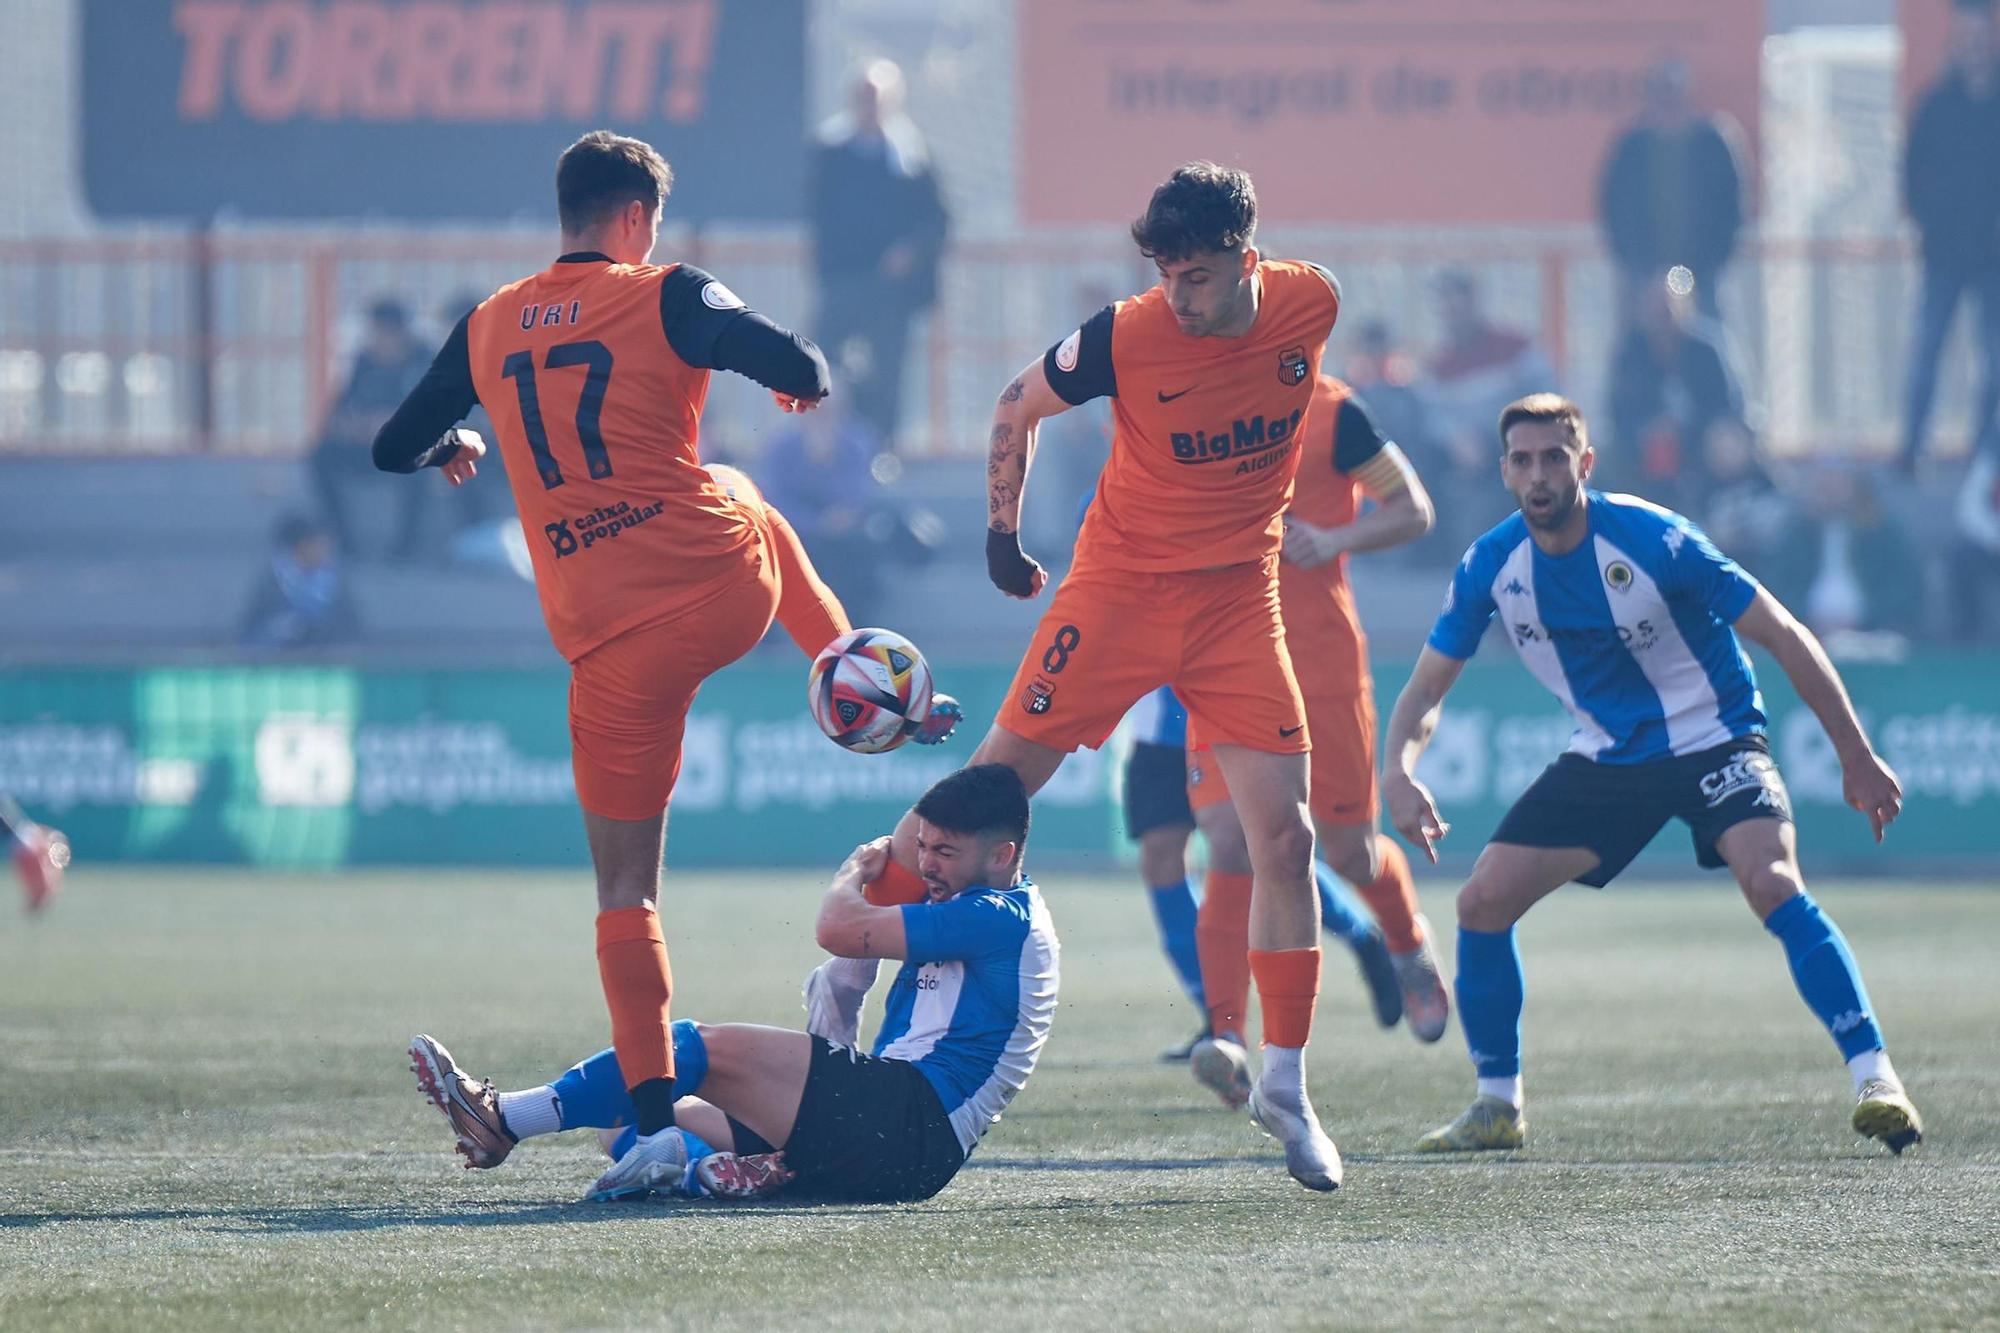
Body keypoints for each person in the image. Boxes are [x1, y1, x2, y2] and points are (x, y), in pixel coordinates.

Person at [808, 162, 1350, 1192]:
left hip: (1239, 600)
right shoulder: (1126, 332)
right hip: (1120, 594)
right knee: (982, 801)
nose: (1177, 296)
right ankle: (839, 977)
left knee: (1286, 837)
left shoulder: (1310, 302)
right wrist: (1001, 535)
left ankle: (1286, 1084)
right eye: (1165, 274)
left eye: (1195, 276)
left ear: (1247, 255)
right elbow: (1014, 403)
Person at [370, 129, 844, 1204]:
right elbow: (799, 364)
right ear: (635, 219)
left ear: (566, 212)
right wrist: (794, 389)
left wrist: (453, 444)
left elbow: (390, 444)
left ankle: (646, 1130)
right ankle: (844, 667)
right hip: (719, 591)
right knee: (740, 487)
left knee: (625, 891)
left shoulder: (489, 322)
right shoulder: (665, 290)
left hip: (604, 641)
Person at [1380, 394, 1923, 1156]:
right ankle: (1497, 1103)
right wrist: (1398, 769)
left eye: (1554, 457)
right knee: (1481, 900)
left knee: (1772, 881)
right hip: (1607, 755)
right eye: (1524, 461)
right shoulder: (1491, 566)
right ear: (1505, 472)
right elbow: (1427, 690)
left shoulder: (1656, 539)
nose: (1539, 475)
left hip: (1716, 736)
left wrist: (1856, 754)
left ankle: (1876, 1076)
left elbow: (1784, 633)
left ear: (1585, 463)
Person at [408, 765, 1055, 1204]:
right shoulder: (969, 903)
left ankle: (502, 1119)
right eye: (925, 847)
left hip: (910, 1122)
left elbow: (835, 925)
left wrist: (852, 874)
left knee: (699, 1047)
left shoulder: (996, 917)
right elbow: (843, 988)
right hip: (891, 1132)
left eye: (945, 852)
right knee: (632, 1112)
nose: (927, 866)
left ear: (1002, 854)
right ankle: (712, 1173)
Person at [1180, 373, 1446, 1114]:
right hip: (1221, 655)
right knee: (1228, 840)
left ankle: (1405, 939)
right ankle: (1226, 1034)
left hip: (1320, 665)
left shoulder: (1335, 413)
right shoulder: (1190, 398)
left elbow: (1416, 510)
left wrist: (1334, 537)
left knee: (1347, 852)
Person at [809, 59, 950, 448]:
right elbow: (820, 214)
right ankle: (828, 444)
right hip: (843, 281)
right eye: (863, 97)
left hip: (891, 290)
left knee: (887, 371)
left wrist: (910, 253)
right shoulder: (831, 154)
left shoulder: (911, 156)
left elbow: (936, 219)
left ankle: (881, 450)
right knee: (826, 362)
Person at [1899, 0, 2000, 473]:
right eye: (1966, 38)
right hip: (1943, 254)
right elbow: (1912, 170)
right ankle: (1912, 448)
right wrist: (1930, 222)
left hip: (1994, 256)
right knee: (1926, 353)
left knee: (1995, 362)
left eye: (1981, 38)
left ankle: (1985, 456)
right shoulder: (1937, 103)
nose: (1973, 48)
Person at [1597, 58, 1748, 320]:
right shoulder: (1631, 147)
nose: (1667, 100)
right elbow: (1614, 208)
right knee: (1641, 348)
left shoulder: (1713, 143)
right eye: (1661, 91)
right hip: (1643, 276)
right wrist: (1639, 266)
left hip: (1702, 274)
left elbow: (1731, 208)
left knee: (1707, 343)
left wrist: (1708, 265)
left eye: (1673, 92)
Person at [1420, 270, 1559, 552]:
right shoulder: (1438, 365)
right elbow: (1433, 415)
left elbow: (1548, 392)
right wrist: (1455, 438)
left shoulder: (1515, 347)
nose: (1453, 313)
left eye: (1458, 304)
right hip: (1467, 453)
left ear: (1473, 303)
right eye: (1446, 306)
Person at [1606, 276, 1749, 514]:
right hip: (1644, 445)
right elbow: (1618, 409)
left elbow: (1728, 404)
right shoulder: (1630, 352)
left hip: (1702, 439)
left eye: (1667, 309)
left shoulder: (1705, 350)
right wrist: (1650, 429)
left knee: (1727, 448)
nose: (1661, 318)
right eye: (1655, 309)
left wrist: (1689, 427)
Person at [309, 297, 435, 558]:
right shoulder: (364, 362)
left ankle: (406, 548)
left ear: (401, 334)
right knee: (321, 456)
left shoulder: (425, 359)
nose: (379, 342)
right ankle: (345, 541)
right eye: (375, 333)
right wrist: (353, 426)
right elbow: (337, 414)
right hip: (367, 447)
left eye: (385, 334)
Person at [1761, 462, 1925, 642]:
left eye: (1840, 484)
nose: (1832, 492)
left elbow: (1906, 588)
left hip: (1874, 633)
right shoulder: (1796, 533)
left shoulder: (1882, 531)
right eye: (1825, 485)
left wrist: (1864, 616)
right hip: (1805, 632)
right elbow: (1776, 587)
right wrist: (1809, 616)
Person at [236, 512, 358, 649]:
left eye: (326, 546)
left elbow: (352, 629)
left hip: (325, 659)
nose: (324, 551)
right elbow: (251, 627)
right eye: (317, 545)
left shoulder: (336, 584)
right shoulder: (271, 582)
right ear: (300, 546)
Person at [2, 794, 67, 914]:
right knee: (7, 816)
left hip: (25, 840)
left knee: (8, 815)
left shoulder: (43, 885)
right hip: (26, 843)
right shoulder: (44, 885)